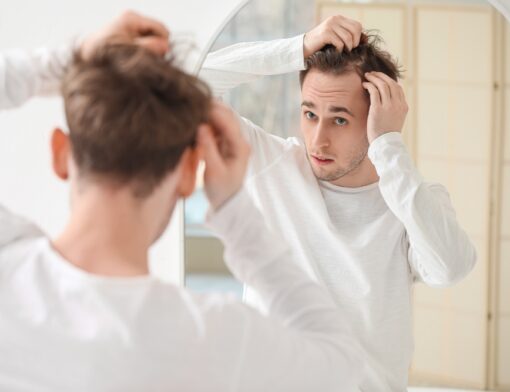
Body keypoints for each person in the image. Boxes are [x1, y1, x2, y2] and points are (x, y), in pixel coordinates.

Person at [0, 11, 364, 391]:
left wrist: (72, 59)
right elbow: (343, 366)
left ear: (60, 152)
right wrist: (235, 213)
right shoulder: (210, 337)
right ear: (192, 171)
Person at [200, 14, 477, 391]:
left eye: (340, 120)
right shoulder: (273, 166)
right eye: (310, 114)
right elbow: (188, 84)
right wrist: (296, 48)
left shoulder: (409, 198)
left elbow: (450, 268)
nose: (318, 140)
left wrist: (388, 147)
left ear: (377, 117)